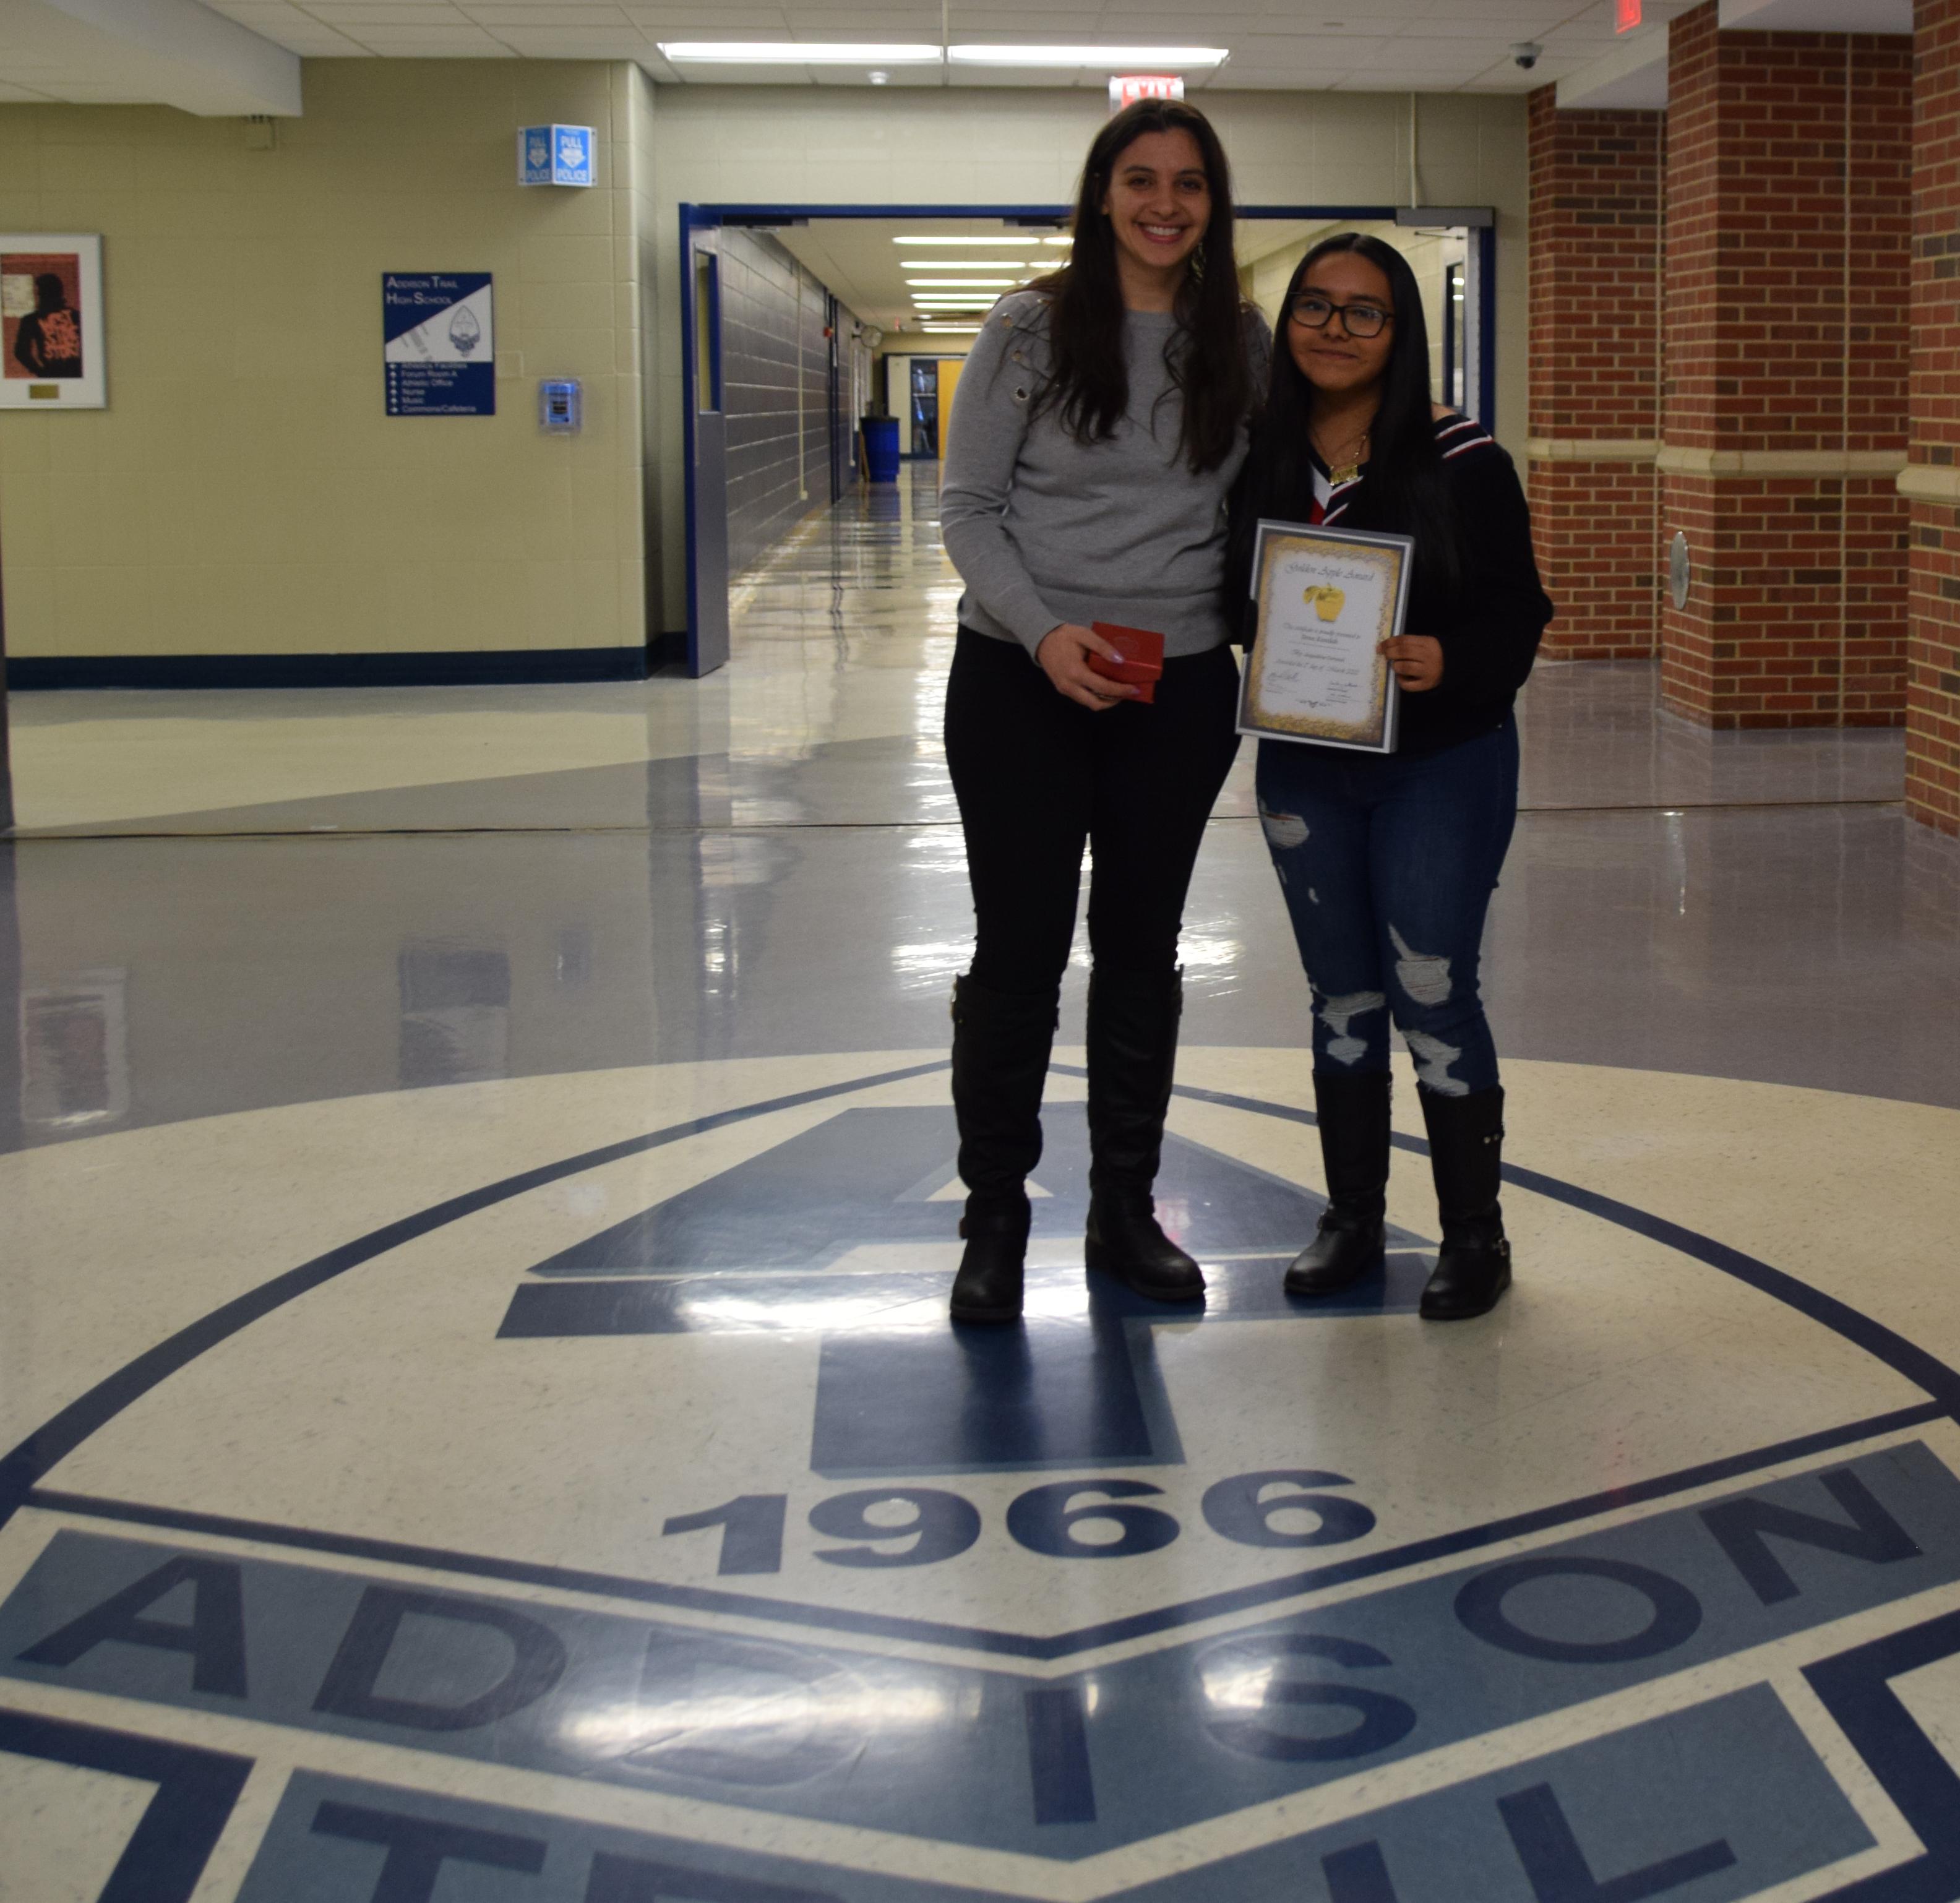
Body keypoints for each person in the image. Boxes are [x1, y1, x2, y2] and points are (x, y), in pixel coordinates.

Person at [937, 98, 1267, 1323]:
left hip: (1175, 687)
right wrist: (1044, 631)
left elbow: (1276, 493)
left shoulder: (1238, 338)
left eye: (1188, 184)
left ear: (1212, 204)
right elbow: (968, 507)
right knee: (1018, 950)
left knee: (1140, 948)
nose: (1164, 205)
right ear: (1101, 193)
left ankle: (1125, 1209)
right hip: (1020, 679)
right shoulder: (1028, 326)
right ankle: (995, 1218)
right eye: (1140, 180)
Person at [1227, 233, 1553, 1321]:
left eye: (1364, 311)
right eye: (1314, 306)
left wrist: (1449, 659)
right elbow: (1229, 592)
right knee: (1342, 997)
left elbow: (1518, 611)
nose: (1335, 329)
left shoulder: (1461, 457)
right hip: (1306, 765)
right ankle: (1351, 1220)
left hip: (1438, 763)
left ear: (1400, 331)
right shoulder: (1258, 454)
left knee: (1431, 990)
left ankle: (1473, 1235)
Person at [11, 273, 82, 379]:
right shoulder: (77, 316)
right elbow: (21, 352)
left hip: (52, 374)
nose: (39, 295)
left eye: (40, 293)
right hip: (76, 375)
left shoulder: (31, 320)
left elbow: (21, 352)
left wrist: (40, 372)